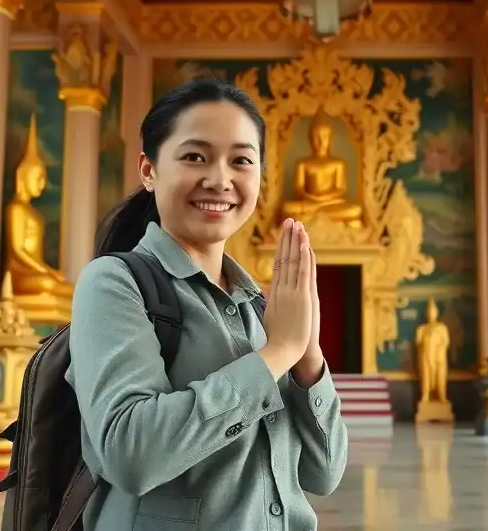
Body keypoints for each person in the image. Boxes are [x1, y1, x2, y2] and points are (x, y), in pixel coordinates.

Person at [68, 78, 348, 530]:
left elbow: (324, 473)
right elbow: (131, 455)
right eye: (195, 156)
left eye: (241, 160)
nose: (220, 179)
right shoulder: (114, 282)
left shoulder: (256, 305)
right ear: (148, 169)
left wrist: (306, 355)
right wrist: (276, 354)